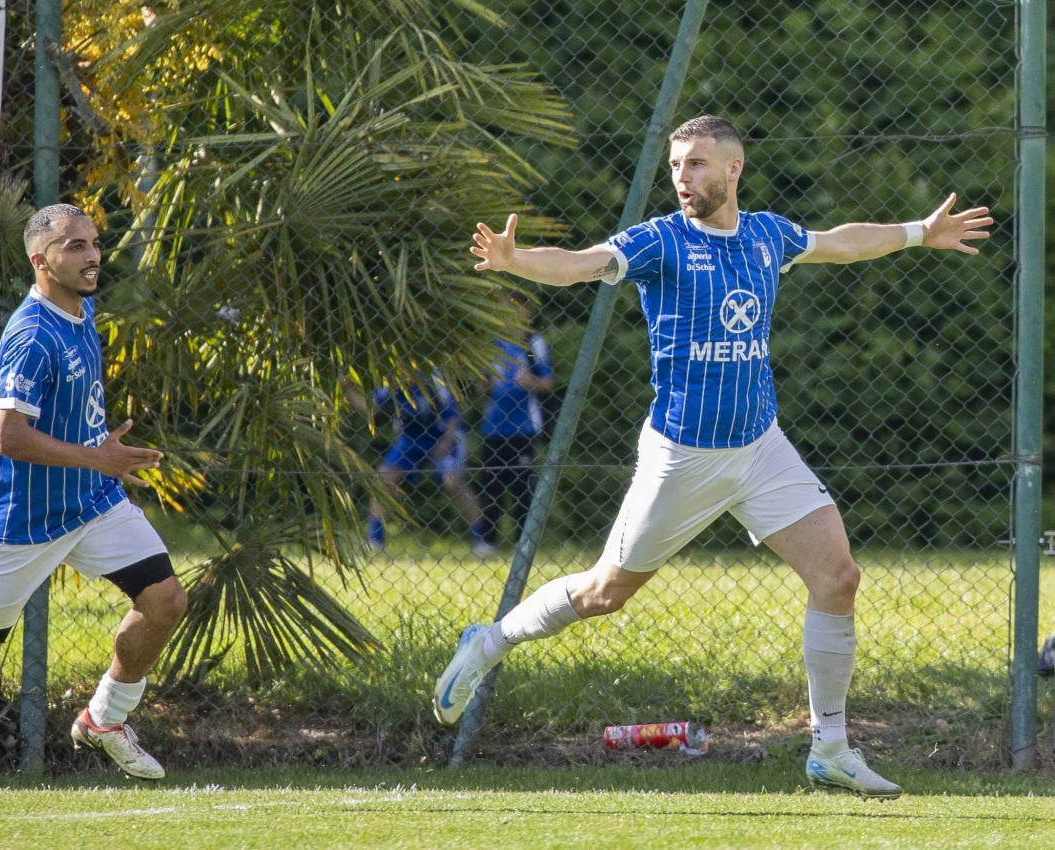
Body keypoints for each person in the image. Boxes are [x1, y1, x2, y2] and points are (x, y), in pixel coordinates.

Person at [432, 115, 992, 799]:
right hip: (682, 457)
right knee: (605, 593)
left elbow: (836, 244)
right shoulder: (660, 241)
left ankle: (831, 748)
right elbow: (582, 263)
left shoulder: (765, 235)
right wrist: (517, 261)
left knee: (837, 578)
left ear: (733, 168)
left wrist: (916, 233)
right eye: (675, 167)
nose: (683, 179)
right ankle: (489, 642)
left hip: (760, 447)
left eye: (696, 164)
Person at [0, 204, 189, 807]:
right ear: (40, 260)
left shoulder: (81, 306)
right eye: (75, 247)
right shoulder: (31, 336)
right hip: (22, 520)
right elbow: (8, 436)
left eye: (94, 243)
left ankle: (105, 718)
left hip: (91, 502)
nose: (92, 255)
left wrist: (100, 460)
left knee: (165, 600)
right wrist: (98, 457)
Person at [356, 376, 495, 556]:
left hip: (443, 435)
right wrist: (346, 388)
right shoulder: (391, 381)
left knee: (452, 483)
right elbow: (370, 409)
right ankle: (375, 538)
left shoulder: (436, 380)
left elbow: (453, 418)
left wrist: (445, 443)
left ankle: (482, 539)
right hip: (410, 438)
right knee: (383, 478)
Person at [477, 294, 555, 549]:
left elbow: (548, 384)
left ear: (526, 313)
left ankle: (524, 541)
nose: (509, 314)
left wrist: (530, 382)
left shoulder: (534, 344)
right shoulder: (491, 344)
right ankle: (488, 542)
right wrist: (483, 383)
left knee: (523, 486)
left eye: (514, 309)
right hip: (494, 426)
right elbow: (484, 384)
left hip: (524, 427)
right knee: (491, 485)